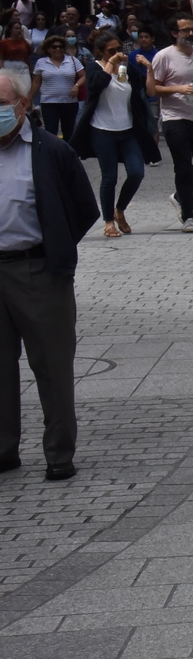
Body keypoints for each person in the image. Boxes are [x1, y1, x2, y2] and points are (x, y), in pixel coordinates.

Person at [0, 65, 96, 481]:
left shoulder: (51, 150)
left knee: (52, 367)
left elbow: (83, 208)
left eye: (1, 104)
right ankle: (4, 449)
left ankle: (59, 452)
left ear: (22, 105)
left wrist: (55, 246)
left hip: (38, 269)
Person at [75, 30, 155, 238]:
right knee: (109, 177)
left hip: (127, 130)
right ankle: (108, 221)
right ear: (101, 52)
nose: (118, 53)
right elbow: (97, 86)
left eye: (119, 49)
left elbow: (147, 91)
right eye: (112, 50)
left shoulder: (125, 68)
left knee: (137, 172)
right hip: (102, 130)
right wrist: (110, 62)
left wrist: (149, 69)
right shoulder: (94, 67)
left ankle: (120, 209)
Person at [149, 14, 193, 233]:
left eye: (192, 30)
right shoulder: (163, 57)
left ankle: (180, 196)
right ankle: (188, 215)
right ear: (174, 33)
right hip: (175, 117)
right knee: (184, 168)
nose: (190, 34)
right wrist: (177, 88)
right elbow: (153, 89)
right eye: (185, 30)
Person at [30, 34, 83, 142]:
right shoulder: (41, 62)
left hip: (69, 102)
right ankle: (52, 156)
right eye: (54, 47)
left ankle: (68, 156)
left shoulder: (72, 60)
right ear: (48, 49)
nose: (58, 49)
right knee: (51, 132)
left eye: (60, 47)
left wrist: (76, 86)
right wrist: (28, 99)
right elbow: (36, 83)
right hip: (49, 102)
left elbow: (83, 75)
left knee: (69, 132)